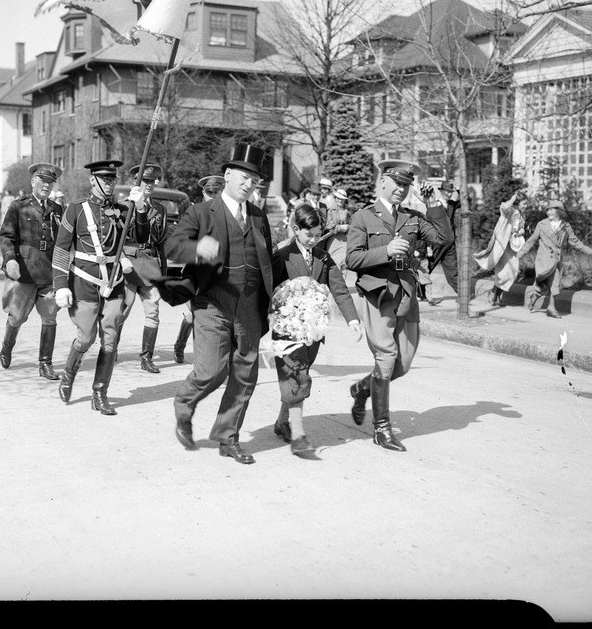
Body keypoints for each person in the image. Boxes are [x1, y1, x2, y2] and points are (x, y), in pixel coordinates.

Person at [166, 143, 275, 465]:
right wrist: (198, 248)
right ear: (227, 175)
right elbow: (173, 245)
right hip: (212, 304)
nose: (248, 184)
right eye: (243, 177)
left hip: (250, 308)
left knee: (245, 375)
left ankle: (228, 437)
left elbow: (266, 259)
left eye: (253, 180)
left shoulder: (258, 216)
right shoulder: (202, 212)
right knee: (210, 370)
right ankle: (184, 405)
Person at [345, 159, 453, 452]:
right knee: (387, 355)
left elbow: (445, 239)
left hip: (406, 294)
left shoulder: (414, 217)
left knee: (402, 364)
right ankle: (382, 429)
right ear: (383, 182)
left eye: (407, 185)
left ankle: (361, 388)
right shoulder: (364, 217)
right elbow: (352, 259)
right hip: (377, 295)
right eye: (397, 184)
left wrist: (434, 204)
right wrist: (385, 251)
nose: (402, 190)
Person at [52, 160, 148, 415]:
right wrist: (61, 285)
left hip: (114, 283)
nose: (109, 183)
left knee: (110, 339)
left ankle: (100, 393)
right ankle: (68, 375)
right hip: (84, 283)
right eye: (104, 179)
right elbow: (61, 249)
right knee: (85, 338)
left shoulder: (121, 210)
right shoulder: (75, 210)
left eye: (112, 179)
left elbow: (140, 236)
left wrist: (139, 209)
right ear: (92, 181)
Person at [271, 203, 363, 457]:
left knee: (298, 374)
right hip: (287, 330)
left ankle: (282, 422)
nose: (312, 240)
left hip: (314, 331)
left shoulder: (324, 256)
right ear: (295, 229)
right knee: (297, 375)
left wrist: (353, 320)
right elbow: (268, 290)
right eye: (308, 235)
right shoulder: (282, 256)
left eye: (316, 234)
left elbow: (340, 289)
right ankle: (299, 435)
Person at [0, 162, 65, 379]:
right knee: (17, 317)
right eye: (43, 180)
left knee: (50, 317)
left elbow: (64, 242)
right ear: (33, 181)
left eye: (50, 182)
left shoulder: (57, 209)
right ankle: (7, 346)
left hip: (48, 272)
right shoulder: (19, 207)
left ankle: (45, 363)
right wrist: (10, 259)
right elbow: (7, 236)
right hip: (25, 271)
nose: (47, 185)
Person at [120, 162, 168, 374]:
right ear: (137, 182)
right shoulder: (124, 205)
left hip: (149, 263)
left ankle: (146, 357)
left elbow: (161, 242)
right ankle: (110, 349)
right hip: (129, 263)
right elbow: (116, 240)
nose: (151, 184)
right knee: (121, 311)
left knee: (153, 311)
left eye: (154, 180)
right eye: (147, 180)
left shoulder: (160, 209)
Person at [172, 174, 225, 366]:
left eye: (217, 192)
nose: (213, 195)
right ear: (203, 192)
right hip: (196, 274)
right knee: (193, 315)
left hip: (220, 276)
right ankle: (181, 346)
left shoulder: (229, 213)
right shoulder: (195, 212)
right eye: (209, 192)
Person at [517, 199, 592, 319]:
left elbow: (575, 242)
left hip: (556, 260)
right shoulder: (542, 224)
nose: (548, 211)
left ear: (559, 212)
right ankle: (535, 295)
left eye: (551, 209)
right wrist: (520, 254)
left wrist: (590, 251)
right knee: (543, 283)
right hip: (543, 261)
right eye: (548, 209)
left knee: (555, 285)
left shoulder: (566, 226)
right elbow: (531, 241)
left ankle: (551, 308)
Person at [474, 190, 528, 307]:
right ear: (517, 203)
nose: (526, 206)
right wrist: (513, 198)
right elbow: (503, 207)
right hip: (503, 246)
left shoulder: (521, 216)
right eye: (524, 203)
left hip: (513, 247)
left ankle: (496, 294)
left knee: (512, 272)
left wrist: (520, 231)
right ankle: (494, 293)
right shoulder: (510, 211)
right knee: (503, 272)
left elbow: (521, 229)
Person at [428, 181, 460, 295]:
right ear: (441, 191)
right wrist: (428, 246)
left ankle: (461, 295)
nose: (449, 194)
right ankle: (419, 292)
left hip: (449, 244)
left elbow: (465, 202)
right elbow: (428, 225)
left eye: (451, 192)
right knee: (427, 267)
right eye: (447, 191)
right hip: (437, 243)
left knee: (452, 269)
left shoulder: (452, 204)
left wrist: (458, 190)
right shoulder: (434, 206)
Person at [324, 187, 352, 275]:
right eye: (338, 198)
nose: (340, 200)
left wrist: (348, 227)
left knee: (343, 259)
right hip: (333, 238)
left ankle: (340, 281)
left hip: (344, 239)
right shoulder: (330, 210)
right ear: (335, 198)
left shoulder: (347, 211)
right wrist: (340, 228)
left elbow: (352, 223)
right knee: (333, 261)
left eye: (342, 199)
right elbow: (329, 226)